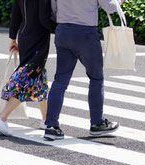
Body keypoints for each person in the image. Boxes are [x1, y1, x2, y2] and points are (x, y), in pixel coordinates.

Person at [43, 0, 123, 141]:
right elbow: (110, 7)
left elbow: (53, 9)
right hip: (86, 33)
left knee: (60, 81)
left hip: (63, 31)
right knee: (96, 78)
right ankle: (97, 123)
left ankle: (51, 126)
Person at [0, 0, 56, 136]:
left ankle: (46, 120)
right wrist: (59, 29)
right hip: (38, 38)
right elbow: (44, 19)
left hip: (25, 36)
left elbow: (16, 16)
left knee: (39, 75)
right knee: (30, 76)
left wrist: (13, 38)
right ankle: (2, 117)